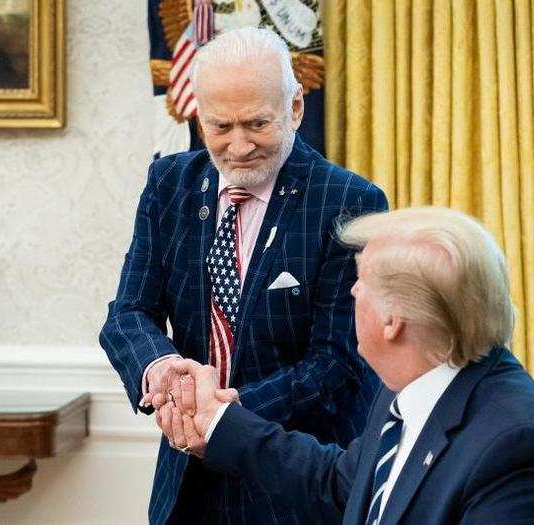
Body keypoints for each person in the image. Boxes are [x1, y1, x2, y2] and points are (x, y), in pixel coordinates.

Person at [99, 27, 387, 525]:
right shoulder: (169, 185)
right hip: (186, 482)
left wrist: (215, 415)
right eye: (220, 126)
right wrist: (165, 372)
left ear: (295, 107)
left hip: (295, 482)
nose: (238, 146)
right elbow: (128, 315)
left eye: (257, 123)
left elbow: (336, 364)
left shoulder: (350, 202)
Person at [163, 207, 534, 524]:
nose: (352, 291)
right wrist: (217, 421)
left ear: (392, 320)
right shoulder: (411, 386)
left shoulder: (517, 446)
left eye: (362, 279)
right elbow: (339, 484)